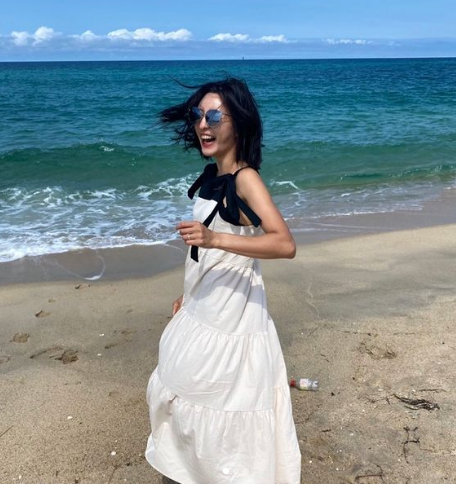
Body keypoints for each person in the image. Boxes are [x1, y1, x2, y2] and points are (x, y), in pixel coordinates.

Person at [145, 77, 302, 484]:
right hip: (204, 304)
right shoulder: (213, 174)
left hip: (234, 313)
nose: (203, 124)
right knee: (184, 388)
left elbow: (284, 243)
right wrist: (187, 294)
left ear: (239, 122)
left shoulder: (246, 179)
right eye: (198, 115)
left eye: (214, 116)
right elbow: (204, 250)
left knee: (226, 402)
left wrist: (215, 238)